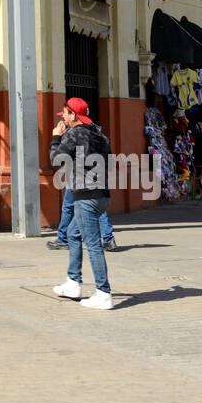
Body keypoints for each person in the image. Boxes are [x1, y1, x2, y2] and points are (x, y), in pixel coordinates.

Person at [49, 97, 114, 310]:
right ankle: (73, 282)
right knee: (72, 233)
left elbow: (56, 160)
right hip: (102, 195)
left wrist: (55, 138)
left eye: (65, 114)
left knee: (93, 244)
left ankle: (103, 293)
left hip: (86, 195)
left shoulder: (73, 134)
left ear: (74, 115)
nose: (63, 118)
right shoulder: (99, 134)